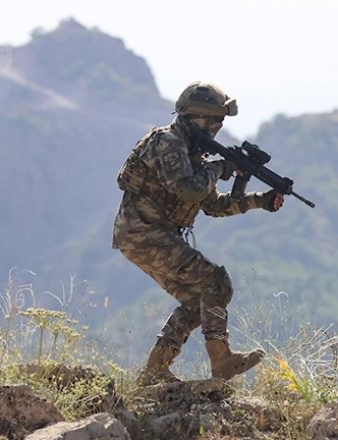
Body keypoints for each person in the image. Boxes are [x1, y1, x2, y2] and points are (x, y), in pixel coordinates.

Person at [112, 81, 284, 385]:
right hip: (143, 233)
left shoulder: (192, 155)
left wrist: (261, 200)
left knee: (198, 302)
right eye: (216, 120)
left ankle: (154, 371)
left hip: (146, 235)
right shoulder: (169, 142)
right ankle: (222, 361)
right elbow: (189, 189)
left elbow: (215, 206)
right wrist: (221, 168)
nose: (218, 127)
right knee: (216, 282)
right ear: (198, 118)